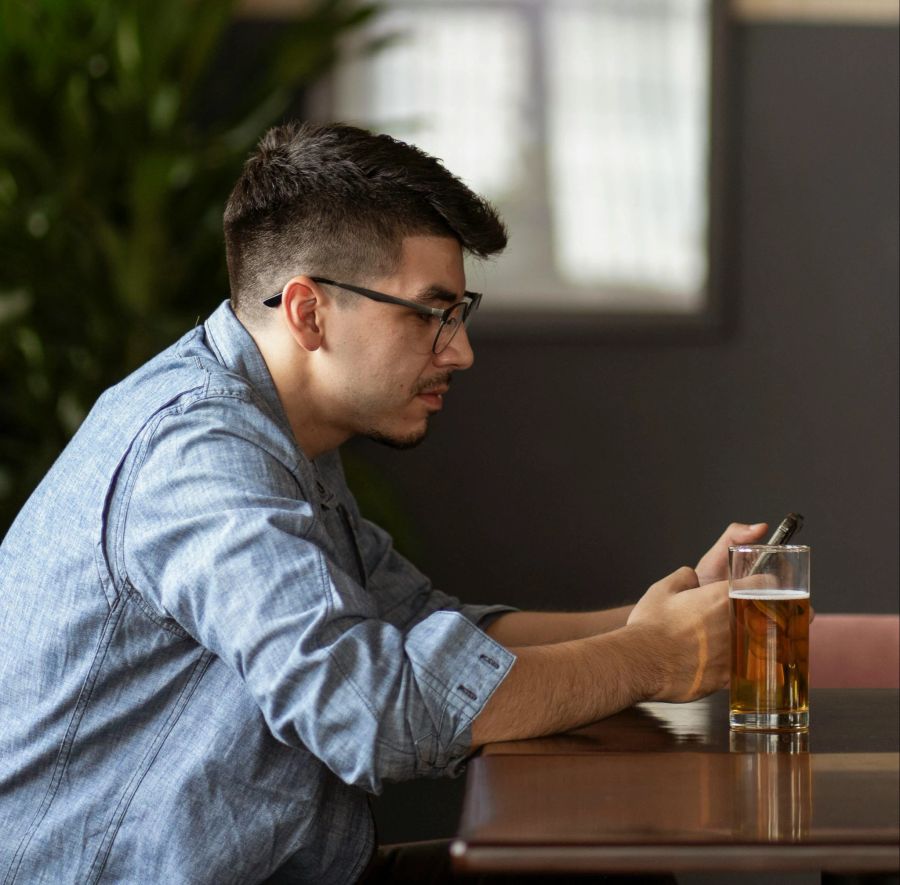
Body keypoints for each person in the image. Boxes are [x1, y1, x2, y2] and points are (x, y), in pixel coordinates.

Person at [0, 121, 767, 885]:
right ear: (308, 312)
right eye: (430, 312)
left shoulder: (287, 435)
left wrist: (658, 619)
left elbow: (428, 622)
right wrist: (654, 657)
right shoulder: (197, 455)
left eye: (460, 313)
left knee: (616, 869)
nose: (459, 349)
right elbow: (369, 711)